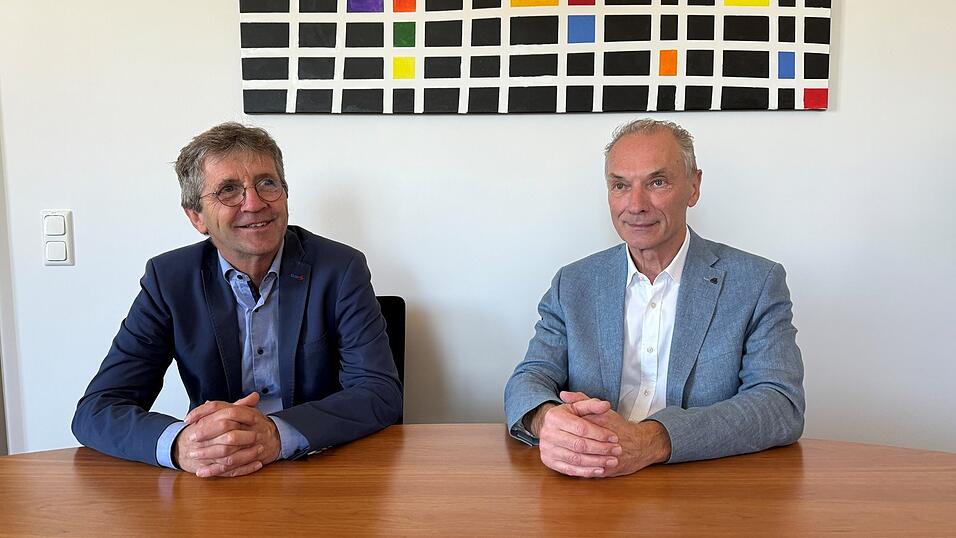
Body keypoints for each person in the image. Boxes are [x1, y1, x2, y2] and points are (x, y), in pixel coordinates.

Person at [72, 122, 402, 478]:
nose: (254, 203)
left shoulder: (340, 269)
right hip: (219, 473)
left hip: (319, 466)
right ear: (196, 217)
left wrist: (277, 433)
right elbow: (97, 410)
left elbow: (379, 392)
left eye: (267, 183)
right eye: (228, 190)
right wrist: (182, 443)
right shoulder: (169, 280)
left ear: (285, 194)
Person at [503, 119, 805, 478]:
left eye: (657, 182)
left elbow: (780, 405)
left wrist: (652, 440)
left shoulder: (756, 282)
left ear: (693, 187)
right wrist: (549, 419)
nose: (635, 204)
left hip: (704, 485)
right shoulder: (574, 283)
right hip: (589, 482)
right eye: (620, 185)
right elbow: (529, 378)